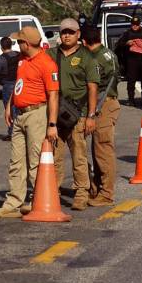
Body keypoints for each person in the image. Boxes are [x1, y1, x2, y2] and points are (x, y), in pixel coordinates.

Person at [0, 26, 59, 219]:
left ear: (26, 44)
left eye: (19, 41)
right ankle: (13, 202)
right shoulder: (21, 60)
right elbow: (19, 84)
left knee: (35, 161)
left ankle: (39, 200)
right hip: (20, 114)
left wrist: (52, 124)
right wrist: (9, 105)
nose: (16, 44)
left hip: (37, 114)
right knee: (16, 161)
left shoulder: (47, 64)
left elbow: (53, 95)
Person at [47, 18, 99, 211]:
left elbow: (92, 87)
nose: (66, 35)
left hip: (78, 113)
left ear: (78, 34)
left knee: (79, 155)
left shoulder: (87, 57)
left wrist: (91, 116)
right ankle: (53, 190)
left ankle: (82, 192)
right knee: (54, 156)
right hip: (56, 113)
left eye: (70, 32)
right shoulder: (51, 54)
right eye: (63, 32)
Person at [81, 25, 119, 206]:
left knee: (103, 151)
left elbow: (93, 85)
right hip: (108, 104)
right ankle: (97, 188)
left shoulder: (94, 59)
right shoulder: (109, 54)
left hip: (102, 105)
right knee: (98, 150)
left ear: (83, 41)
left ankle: (106, 193)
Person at [0, 36, 21, 141]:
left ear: (1, 47)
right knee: (20, 109)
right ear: (11, 45)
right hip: (20, 84)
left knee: (9, 109)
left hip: (8, 86)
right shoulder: (19, 55)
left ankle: (12, 133)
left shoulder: (1, 58)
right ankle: (20, 131)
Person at [116, 17, 142, 106]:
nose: (135, 26)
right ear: (131, 24)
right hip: (132, 60)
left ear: (139, 24)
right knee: (131, 81)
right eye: (133, 24)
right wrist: (126, 43)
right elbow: (119, 44)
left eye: (137, 24)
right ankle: (131, 100)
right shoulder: (127, 33)